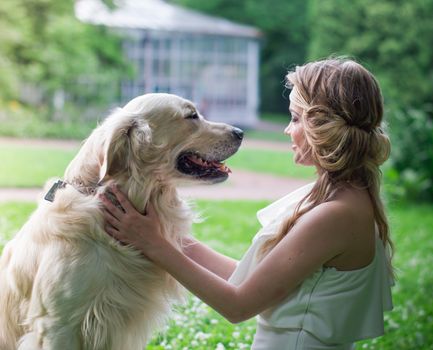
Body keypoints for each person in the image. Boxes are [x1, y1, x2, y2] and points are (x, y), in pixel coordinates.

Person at [100, 58, 395, 350]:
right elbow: (250, 279)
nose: (286, 130)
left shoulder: (337, 214)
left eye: (295, 118)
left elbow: (238, 305)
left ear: (322, 126)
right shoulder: (337, 198)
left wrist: (154, 244)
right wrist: (168, 237)